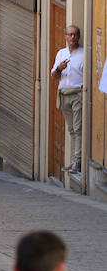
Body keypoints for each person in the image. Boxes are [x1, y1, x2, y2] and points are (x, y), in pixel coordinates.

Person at [50, 25, 84, 173]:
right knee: (71, 129)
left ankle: (77, 161)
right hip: (64, 94)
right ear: (65, 36)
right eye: (69, 34)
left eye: (75, 34)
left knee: (78, 128)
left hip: (77, 95)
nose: (72, 37)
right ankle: (75, 160)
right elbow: (54, 76)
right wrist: (59, 68)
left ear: (79, 36)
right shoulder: (61, 53)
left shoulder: (83, 54)